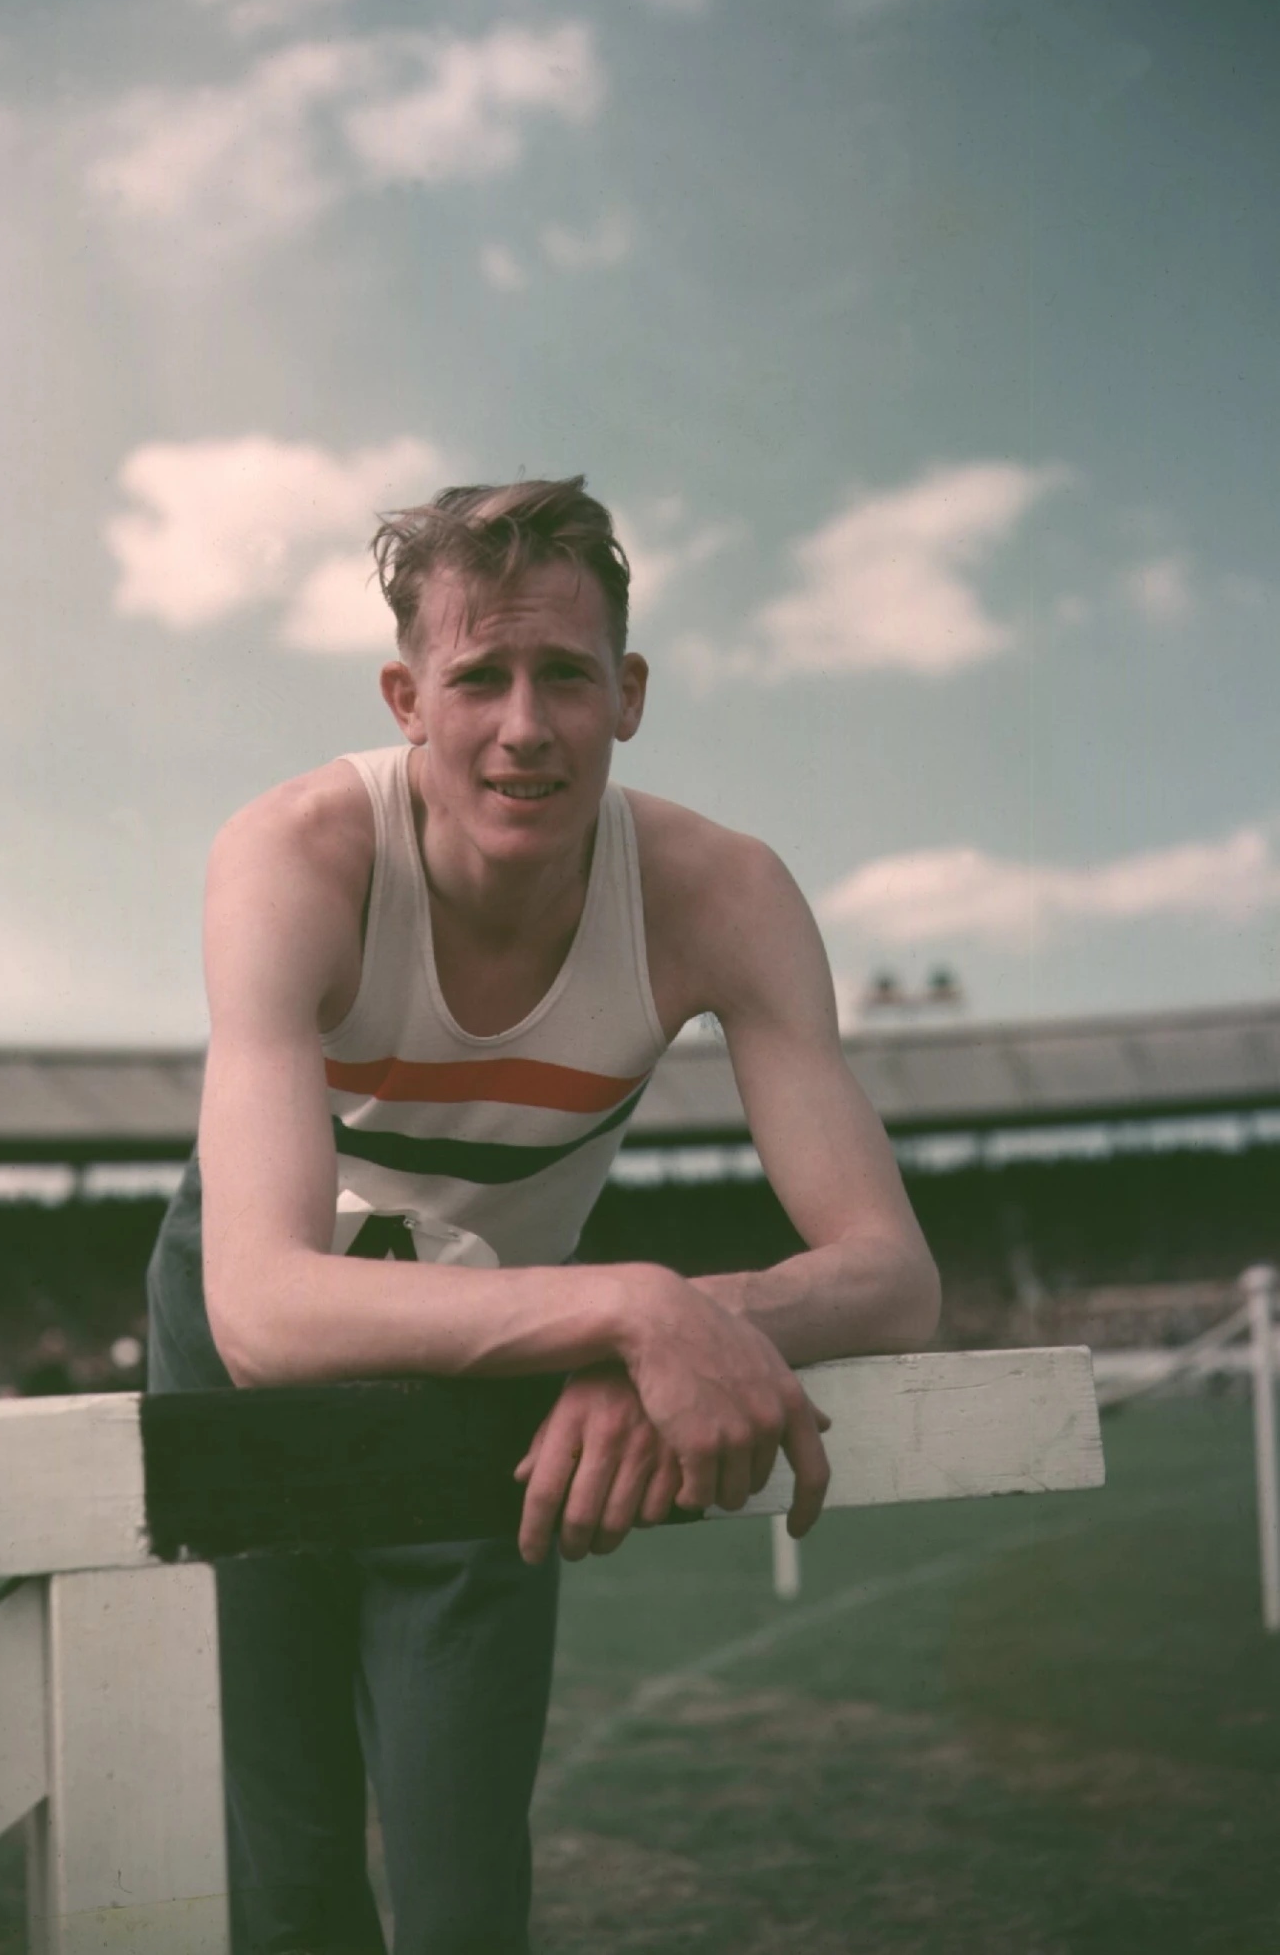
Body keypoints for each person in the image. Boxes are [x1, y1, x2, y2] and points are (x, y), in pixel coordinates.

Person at [145, 475, 940, 1955]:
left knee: (462, 1890)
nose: (526, 725)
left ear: (628, 695)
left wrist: (689, 1324)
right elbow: (261, 1311)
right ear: (406, 700)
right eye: (479, 678)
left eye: (567, 674)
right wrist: (631, 1306)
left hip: (509, 1340)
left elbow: (895, 1274)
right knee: (290, 1863)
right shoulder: (297, 853)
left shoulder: (722, 892)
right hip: (273, 1325)